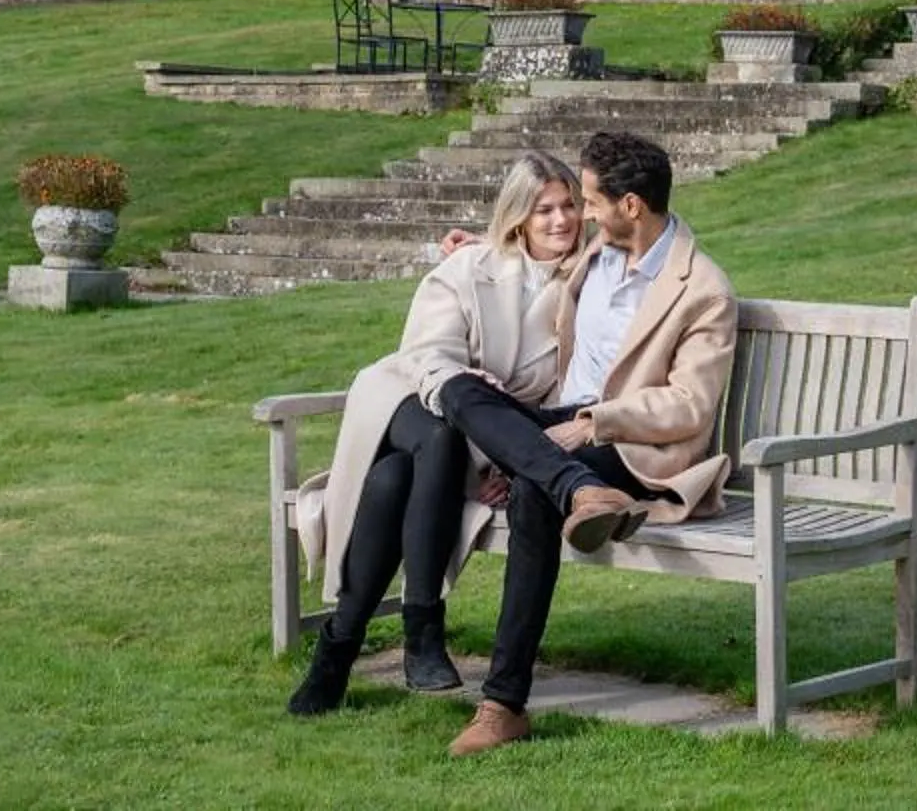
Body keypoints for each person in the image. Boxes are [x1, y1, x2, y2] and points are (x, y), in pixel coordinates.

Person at [431, 130, 738, 757]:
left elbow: (689, 406)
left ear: (631, 206)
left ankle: (502, 705)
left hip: (630, 446)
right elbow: (538, 246)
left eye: (591, 202)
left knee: (534, 498)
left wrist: (597, 421)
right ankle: (566, 481)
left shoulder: (703, 289)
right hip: (559, 430)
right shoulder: (600, 252)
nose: (580, 215)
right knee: (459, 390)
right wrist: (479, 243)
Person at [285, 150, 582, 717]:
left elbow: (556, 394)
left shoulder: (580, 285)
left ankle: (337, 650)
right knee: (438, 436)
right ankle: (423, 625)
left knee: (396, 482)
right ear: (518, 214)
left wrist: (508, 457)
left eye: (569, 206)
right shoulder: (469, 268)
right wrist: (472, 400)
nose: (560, 220)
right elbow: (430, 357)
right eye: (543, 209)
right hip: (404, 395)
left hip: (481, 435)